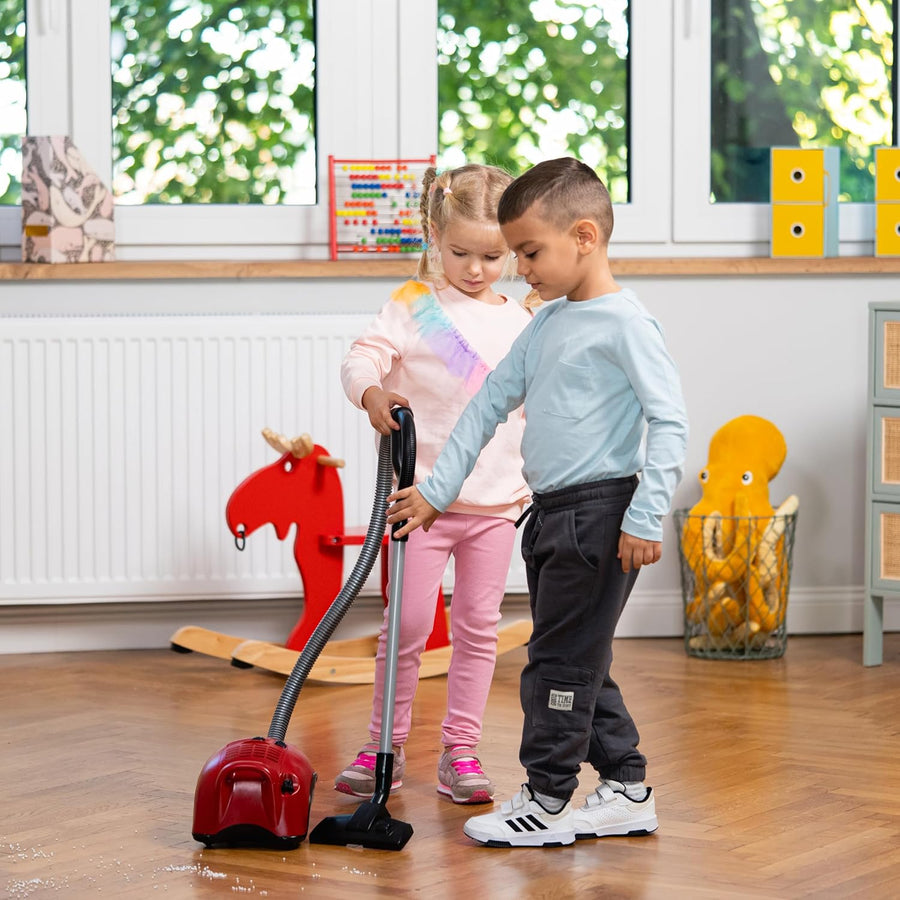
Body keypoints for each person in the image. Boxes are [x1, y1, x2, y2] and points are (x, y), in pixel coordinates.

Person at [386, 157, 689, 847]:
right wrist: (436, 491)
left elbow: (670, 422)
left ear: (583, 236)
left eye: (529, 252)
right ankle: (627, 787)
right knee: (581, 658)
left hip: (602, 514)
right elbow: (487, 404)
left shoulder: (626, 324)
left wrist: (646, 516)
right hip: (550, 514)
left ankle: (548, 797)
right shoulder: (548, 324)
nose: (520, 270)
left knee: (555, 664)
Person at [336, 163, 535, 805]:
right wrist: (371, 393)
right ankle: (382, 748)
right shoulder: (415, 305)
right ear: (434, 236)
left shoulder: (523, 321)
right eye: (460, 253)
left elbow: (535, 408)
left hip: (495, 505)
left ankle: (461, 752)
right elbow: (361, 358)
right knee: (407, 625)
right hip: (418, 501)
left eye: (492, 256)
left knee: (477, 629)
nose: (475, 269)